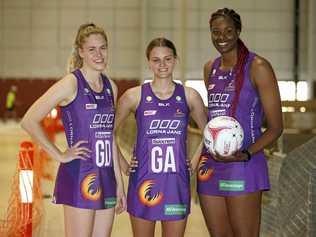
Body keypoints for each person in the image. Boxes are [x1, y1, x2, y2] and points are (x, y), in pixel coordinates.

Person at [21, 23, 126, 237]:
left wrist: (119, 184)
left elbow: (110, 137)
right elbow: (30, 120)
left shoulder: (111, 87)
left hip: (106, 176)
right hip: (79, 175)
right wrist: (59, 155)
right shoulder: (71, 83)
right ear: (81, 52)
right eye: (92, 49)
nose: (99, 54)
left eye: (103, 48)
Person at [197, 8, 283, 237]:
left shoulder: (258, 67)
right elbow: (217, 117)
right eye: (216, 32)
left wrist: (245, 153)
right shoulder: (210, 68)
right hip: (211, 164)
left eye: (228, 31)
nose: (222, 37)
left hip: (244, 163)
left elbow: (276, 127)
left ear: (238, 32)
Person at [115, 37, 207, 237]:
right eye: (156, 60)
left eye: (167, 59)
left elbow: (211, 132)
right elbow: (107, 132)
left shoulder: (190, 96)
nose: (162, 64)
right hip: (143, 181)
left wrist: (194, 160)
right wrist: (122, 162)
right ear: (148, 62)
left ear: (175, 60)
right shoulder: (134, 96)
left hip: (176, 183)